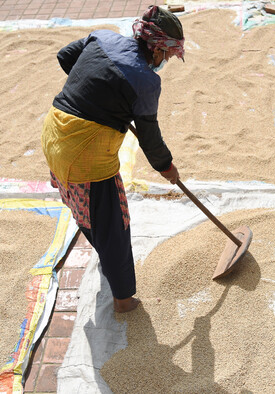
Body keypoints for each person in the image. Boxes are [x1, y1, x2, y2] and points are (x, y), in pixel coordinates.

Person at [41, 5, 184, 313]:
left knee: (90, 212)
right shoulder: (146, 81)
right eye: (168, 55)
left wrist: (95, 92)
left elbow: (66, 56)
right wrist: (167, 168)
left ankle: (107, 259)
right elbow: (149, 138)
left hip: (55, 133)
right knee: (114, 225)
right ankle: (123, 299)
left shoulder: (103, 37)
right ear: (156, 48)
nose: (167, 61)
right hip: (84, 153)